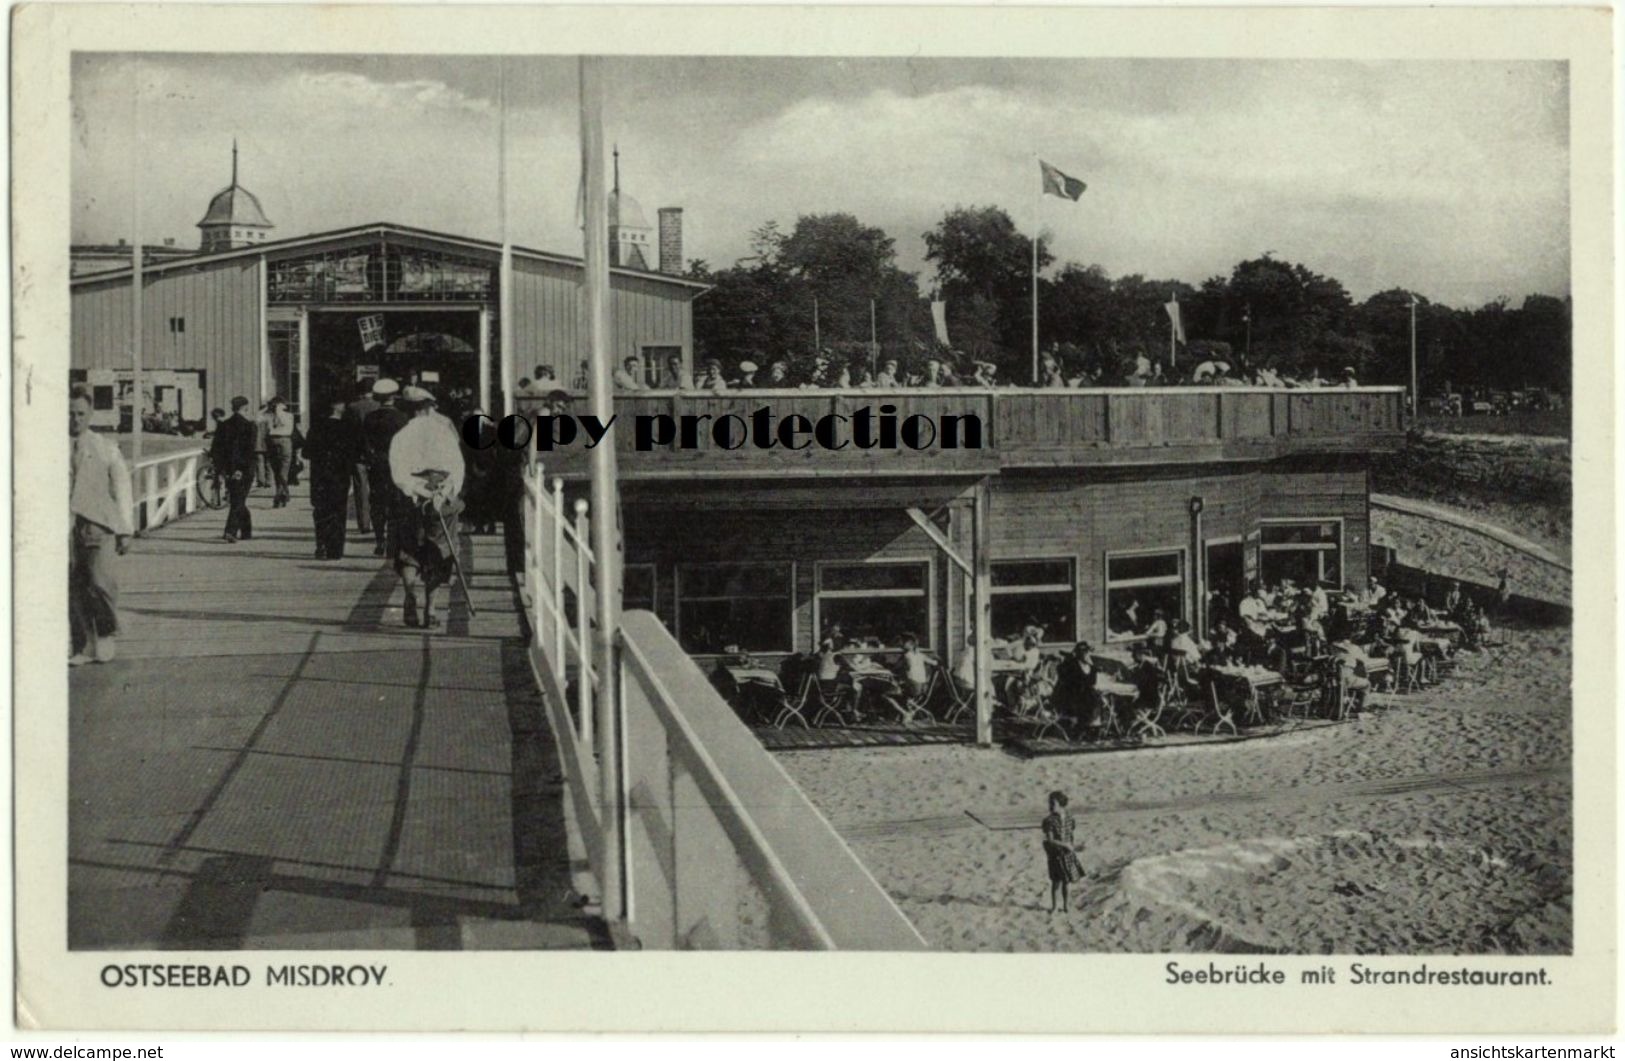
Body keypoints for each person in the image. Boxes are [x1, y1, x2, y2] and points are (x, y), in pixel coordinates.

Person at [388, 386, 466, 629]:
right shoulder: (444, 433)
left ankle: (410, 596)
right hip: (441, 495)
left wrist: (418, 490)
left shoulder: (401, 436)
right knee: (439, 551)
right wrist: (443, 492)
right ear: (428, 407)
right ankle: (430, 609)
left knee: (409, 550)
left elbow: (398, 472)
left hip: (411, 496)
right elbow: (457, 467)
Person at [69, 388, 133, 665]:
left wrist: (125, 529)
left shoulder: (105, 446)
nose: (75, 419)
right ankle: (84, 645)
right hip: (65, 526)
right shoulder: (49, 446)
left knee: (100, 581)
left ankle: (106, 633)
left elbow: (122, 487)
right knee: (74, 587)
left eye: (80, 413)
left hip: (98, 524)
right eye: (70, 414)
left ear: (90, 414)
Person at [303, 396, 359, 560]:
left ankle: (321, 545)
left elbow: (306, 453)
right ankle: (335, 549)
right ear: (339, 407)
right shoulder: (348, 428)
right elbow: (353, 453)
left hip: (320, 475)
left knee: (320, 510)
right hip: (340, 475)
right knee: (338, 511)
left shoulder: (316, 427)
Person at [363, 379, 410, 557]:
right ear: (393, 397)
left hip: (377, 464)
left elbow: (365, 442)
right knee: (396, 502)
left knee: (377, 502)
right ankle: (392, 542)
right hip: (396, 463)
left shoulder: (370, 418)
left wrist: (371, 458)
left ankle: (379, 540)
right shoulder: (402, 418)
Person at [211, 395, 259, 543]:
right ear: (245, 408)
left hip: (229, 468)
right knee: (239, 500)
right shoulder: (249, 426)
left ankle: (246, 531)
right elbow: (249, 451)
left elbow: (215, 450)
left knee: (237, 499)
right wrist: (241, 469)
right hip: (244, 469)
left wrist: (219, 470)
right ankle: (231, 532)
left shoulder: (223, 425)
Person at [344, 381, 379, 535]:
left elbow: (348, 432)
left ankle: (364, 524)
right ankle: (379, 521)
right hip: (376, 453)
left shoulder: (352, 408)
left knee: (361, 490)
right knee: (378, 488)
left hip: (358, 454)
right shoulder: (379, 406)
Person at [1041, 790, 1085, 914]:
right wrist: (1066, 845)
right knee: (1056, 882)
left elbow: (1070, 835)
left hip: (1067, 854)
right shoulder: (1049, 821)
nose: (1050, 806)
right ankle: (1054, 907)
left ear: (1061, 804)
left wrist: (1075, 846)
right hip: (1055, 855)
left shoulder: (1070, 819)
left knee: (1066, 882)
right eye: (1049, 803)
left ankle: (1066, 906)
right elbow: (1050, 840)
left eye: (1053, 803)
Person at [1049, 640, 1100, 738]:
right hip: (1071, 696)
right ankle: (1083, 728)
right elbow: (1064, 677)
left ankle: (1092, 727)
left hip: (1084, 695)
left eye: (1087, 652)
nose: (1086, 654)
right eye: (1083, 652)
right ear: (1077, 653)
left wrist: (1091, 666)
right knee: (1091, 701)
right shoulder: (1071, 664)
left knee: (1097, 699)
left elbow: (1092, 682)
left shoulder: (1090, 666)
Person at [263, 396, 297, 507]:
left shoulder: (285, 416)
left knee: (279, 470)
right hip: (282, 440)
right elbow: (257, 420)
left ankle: (279, 494)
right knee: (280, 469)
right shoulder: (285, 415)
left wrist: (275, 411)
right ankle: (283, 493)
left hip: (275, 440)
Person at [253, 401, 271, 488]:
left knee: (259, 463)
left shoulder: (257, 420)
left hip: (258, 444)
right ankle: (269, 481)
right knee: (268, 463)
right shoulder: (269, 419)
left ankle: (261, 481)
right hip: (268, 443)